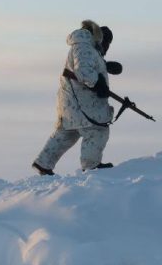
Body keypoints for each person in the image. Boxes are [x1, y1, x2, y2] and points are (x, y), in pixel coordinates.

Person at [31, 20, 124, 175]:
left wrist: (104, 65)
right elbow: (84, 72)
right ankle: (91, 166)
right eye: (106, 44)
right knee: (97, 130)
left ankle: (43, 164)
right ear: (100, 39)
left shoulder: (84, 45)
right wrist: (97, 84)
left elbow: (85, 64)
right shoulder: (84, 46)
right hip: (82, 103)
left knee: (67, 132)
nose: (106, 48)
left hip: (71, 102)